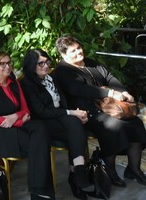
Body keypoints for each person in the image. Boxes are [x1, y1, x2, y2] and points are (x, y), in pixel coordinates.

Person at [53, 36, 146, 186]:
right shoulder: (62, 70)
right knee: (113, 127)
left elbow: (109, 78)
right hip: (85, 111)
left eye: (79, 48)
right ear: (64, 54)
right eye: (73, 51)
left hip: (110, 106)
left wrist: (124, 92)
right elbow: (80, 89)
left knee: (136, 123)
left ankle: (134, 169)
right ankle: (109, 170)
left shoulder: (90, 63)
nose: (78, 52)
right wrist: (110, 93)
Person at [0, 51, 54, 200]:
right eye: (2, 64)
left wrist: (15, 117)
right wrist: (18, 120)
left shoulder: (14, 82)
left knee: (41, 128)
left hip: (14, 123)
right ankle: (40, 189)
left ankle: (37, 187)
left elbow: (25, 109)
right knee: (39, 144)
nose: (8, 66)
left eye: (9, 63)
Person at [20, 49, 93, 200]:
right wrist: (72, 113)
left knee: (76, 124)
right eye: (41, 63)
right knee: (74, 124)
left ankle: (76, 172)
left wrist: (76, 113)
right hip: (43, 122)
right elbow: (41, 111)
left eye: (47, 62)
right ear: (31, 65)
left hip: (60, 118)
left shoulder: (50, 78)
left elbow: (62, 103)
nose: (45, 66)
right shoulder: (27, 83)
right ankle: (78, 173)